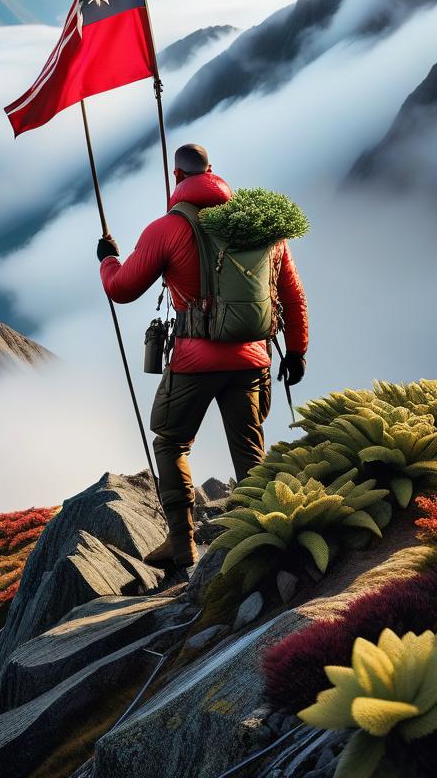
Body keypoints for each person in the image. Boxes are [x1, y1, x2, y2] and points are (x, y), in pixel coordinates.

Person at [97, 143, 309, 569]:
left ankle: (182, 545)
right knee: (249, 451)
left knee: (171, 441)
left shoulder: (167, 229)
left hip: (195, 361)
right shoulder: (262, 226)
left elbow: (121, 290)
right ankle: (262, 539)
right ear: (214, 171)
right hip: (252, 359)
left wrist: (108, 259)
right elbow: (292, 295)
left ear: (176, 178)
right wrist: (298, 351)